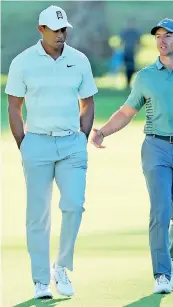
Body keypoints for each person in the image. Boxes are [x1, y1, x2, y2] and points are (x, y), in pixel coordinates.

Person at [91, 18, 173, 294]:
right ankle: (162, 273)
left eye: (168, 36)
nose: (162, 41)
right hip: (155, 147)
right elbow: (126, 112)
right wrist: (103, 132)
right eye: (158, 36)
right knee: (160, 210)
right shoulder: (145, 76)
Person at [5, 5, 98, 299]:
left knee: (74, 205)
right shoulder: (22, 62)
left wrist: (81, 138)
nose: (61, 35)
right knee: (37, 215)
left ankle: (62, 266)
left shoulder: (78, 60)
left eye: (64, 30)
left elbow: (88, 103)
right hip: (37, 143)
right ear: (41, 30)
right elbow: (14, 106)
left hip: (71, 144)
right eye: (56, 30)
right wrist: (25, 144)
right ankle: (41, 280)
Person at [120, 19, 141, 88]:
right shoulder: (125, 32)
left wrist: (137, 50)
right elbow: (121, 42)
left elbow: (138, 42)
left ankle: (129, 82)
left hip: (132, 52)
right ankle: (127, 83)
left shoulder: (135, 32)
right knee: (127, 67)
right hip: (126, 52)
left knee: (131, 68)